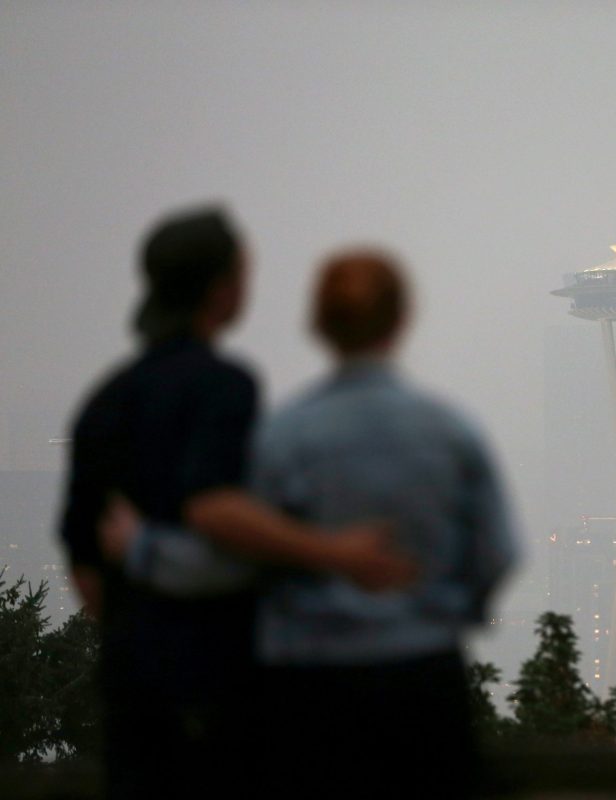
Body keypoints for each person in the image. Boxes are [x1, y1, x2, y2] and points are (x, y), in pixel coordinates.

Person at [117, 247, 518, 798]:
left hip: (308, 691)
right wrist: (440, 612)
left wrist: (143, 550)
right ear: (403, 319)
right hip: (423, 684)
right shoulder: (450, 433)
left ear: (319, 325)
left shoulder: (284, 436)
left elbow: (231, 559)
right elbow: (498, 552)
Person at [59, 207, 413, 800]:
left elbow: (84, 560)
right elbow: (212, 507)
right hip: (220, 684)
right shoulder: (224, 386)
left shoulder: (104, 402)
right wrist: (331, 552)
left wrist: (138, 628)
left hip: (129, 688)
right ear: (221, 292)